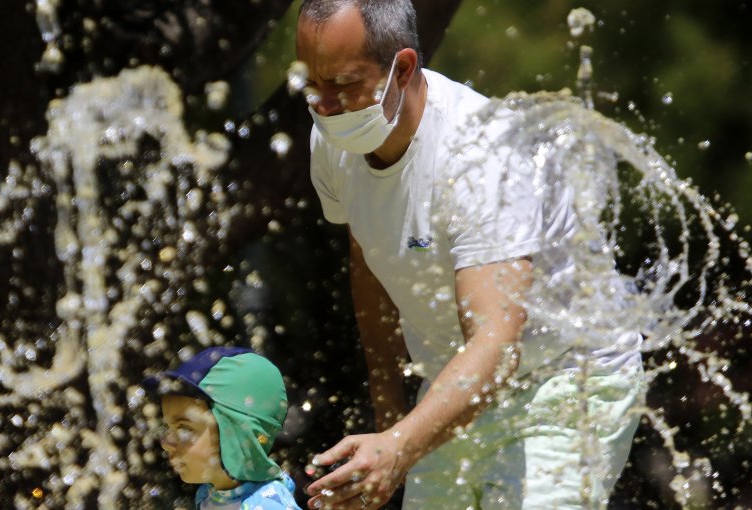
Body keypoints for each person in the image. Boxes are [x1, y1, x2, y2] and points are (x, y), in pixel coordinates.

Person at [296, 1, 645, 509]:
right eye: (313, 83)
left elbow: (498, 343)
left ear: (405, 68)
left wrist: (400, 446)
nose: (324, 104)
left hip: (567, 378)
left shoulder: (479, 154)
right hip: (452, 385)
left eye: (345, 84)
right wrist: (389, 416)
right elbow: (369, 261)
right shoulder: (334, 140)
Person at [144, 346, 301, 509]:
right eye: (167, 427)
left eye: (184, 429)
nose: (166, 443)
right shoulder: (208, 495)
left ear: (235, 433)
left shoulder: (267, 506)